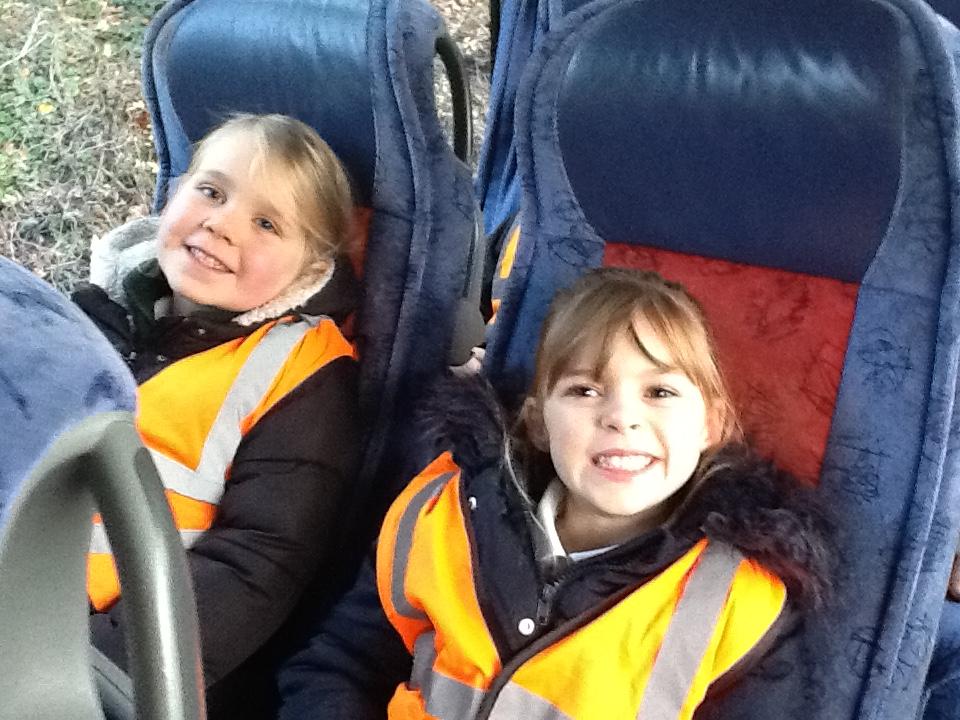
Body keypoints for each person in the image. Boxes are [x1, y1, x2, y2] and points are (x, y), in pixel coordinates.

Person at [276, 267, 835, 720]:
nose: (621, 418)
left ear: (711, 426)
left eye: (659, 391)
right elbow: (342, 663)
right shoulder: (439, 514)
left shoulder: (735, 603)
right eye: (585, 390)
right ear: (538, 423)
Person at [71, 114, 364, 709]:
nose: (221, 223)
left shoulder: (302, 374)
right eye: (210, 191)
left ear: (312, 270)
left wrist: (101, 673)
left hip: (112, 660)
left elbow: (257, 562)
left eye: (266, 223)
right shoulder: (91, 309)